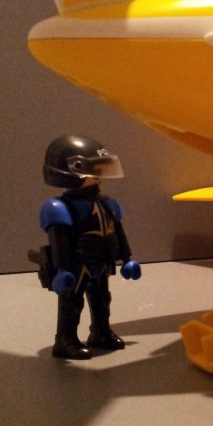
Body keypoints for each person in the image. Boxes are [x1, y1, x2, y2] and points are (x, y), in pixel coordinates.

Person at [38, 134, 141, 360]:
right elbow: (59, 241)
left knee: (102, 299)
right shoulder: (59, 207)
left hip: (101, 261)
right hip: (77, 264)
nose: (99, 174)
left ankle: (101, 333)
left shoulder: (107, 203)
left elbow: (117, 232)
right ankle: (65, 340)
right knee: (72, 302)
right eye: (93, 169)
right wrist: (62, 269)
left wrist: (126, 258)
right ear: (71, 171)